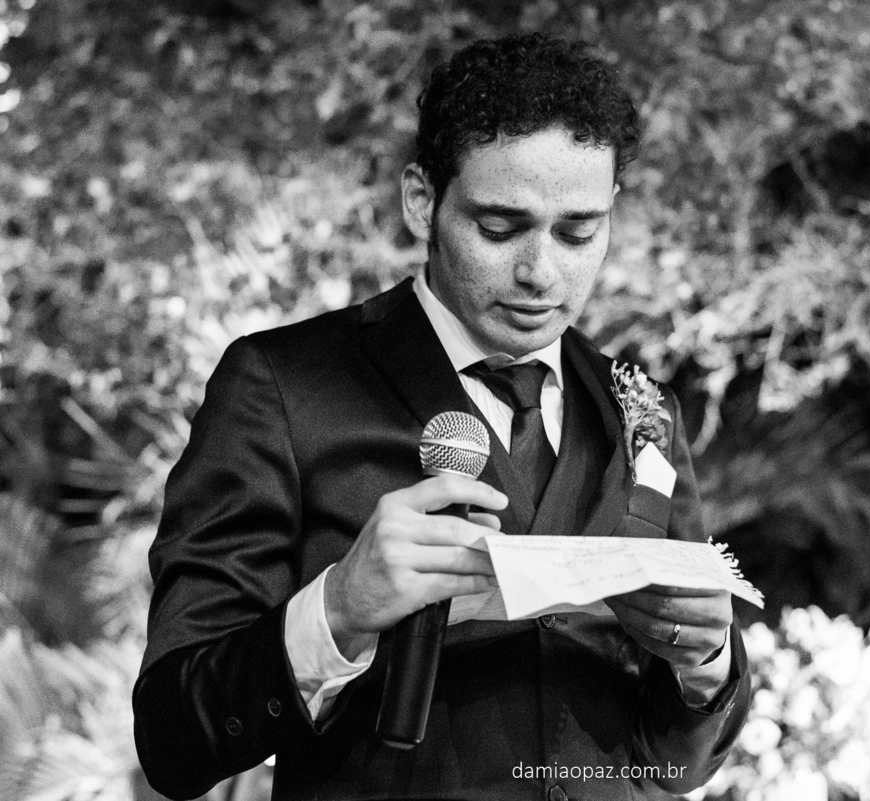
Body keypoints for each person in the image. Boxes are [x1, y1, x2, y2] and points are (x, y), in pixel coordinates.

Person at [133, 32, 750, 801]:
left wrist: (704, 664)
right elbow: (172, 740)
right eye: (499, 227)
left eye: (577, 231)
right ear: (422, 202)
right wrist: (339, 609)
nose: (540, 271)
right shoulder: (282, 385)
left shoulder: (643, 408)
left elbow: (675, 766)